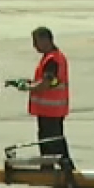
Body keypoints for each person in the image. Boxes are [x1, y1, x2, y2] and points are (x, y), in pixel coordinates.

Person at [24, 26, 70, 160]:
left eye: (36, 42)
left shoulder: (52, 60)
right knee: (55, 145)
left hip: (50, 111)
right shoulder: (53, 57)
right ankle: (58, 169)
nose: (34, 46)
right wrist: (30, 82)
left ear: (45, 40)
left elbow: (45, 84)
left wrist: (27, 87)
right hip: (51, 111)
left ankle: (55, 169)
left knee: (51, 146)